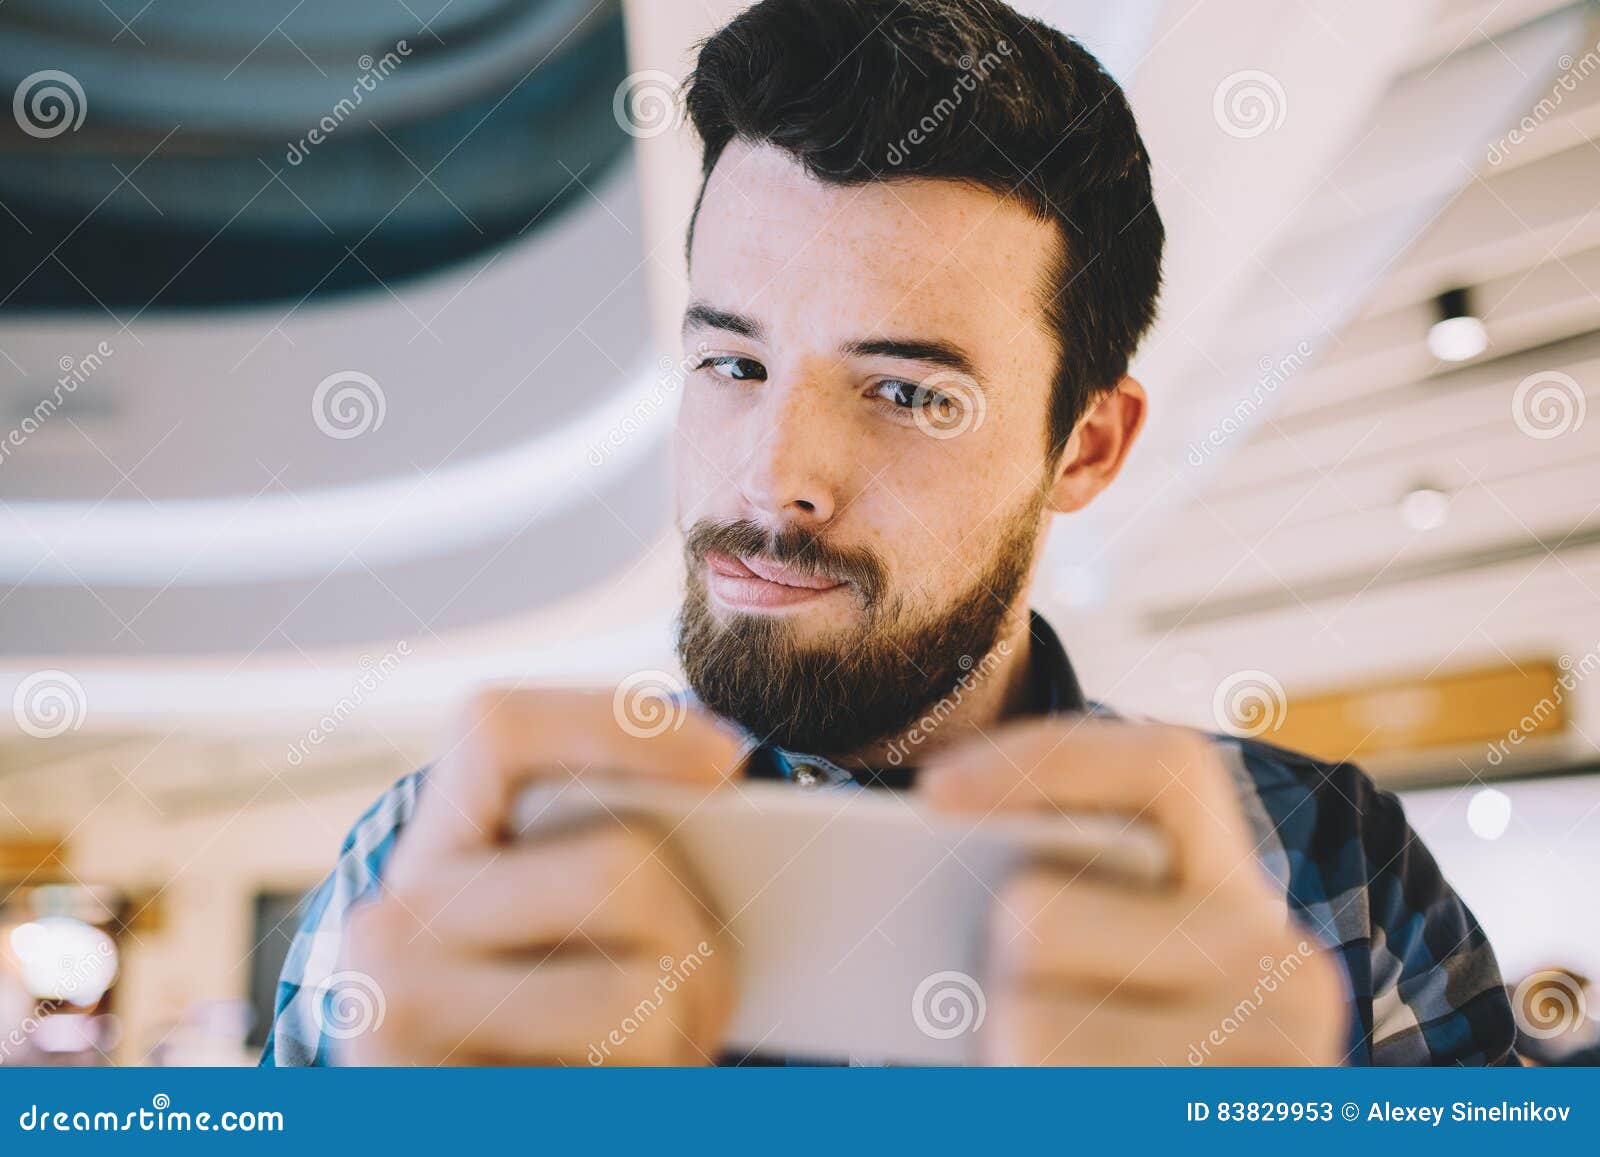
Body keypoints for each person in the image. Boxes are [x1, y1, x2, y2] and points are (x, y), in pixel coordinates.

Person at [263, 0, 1516, 1067]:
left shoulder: (1323, 874)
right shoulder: (429, 871)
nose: (773, 478)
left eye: (908, 391)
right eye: (733, 361)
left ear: (1084, 446)